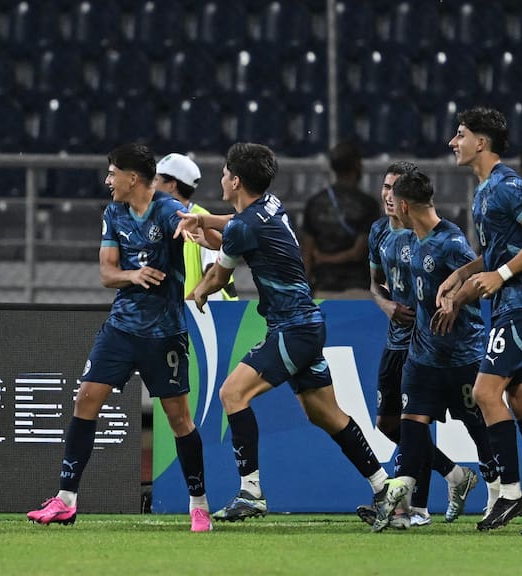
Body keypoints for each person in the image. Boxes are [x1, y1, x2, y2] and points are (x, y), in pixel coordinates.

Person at [174, 142, 389, 522]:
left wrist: (199, 294)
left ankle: (251, 492)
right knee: (324, 414)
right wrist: (204, 222)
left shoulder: (244, 226)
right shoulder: (269, 205)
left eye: (225, 172)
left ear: (236, 180)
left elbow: (218, 274)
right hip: (305, 324)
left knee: (232, 393)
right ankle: (385, 489)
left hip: (292, 328)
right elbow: (235, 227)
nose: (221, 177)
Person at [27, 143, 212, 532]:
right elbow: (107, 273)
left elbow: (206, 236)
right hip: (121, 329)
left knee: (179, 418)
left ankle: (199, 505)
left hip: (165, 333)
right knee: (85, 399)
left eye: (112, 173)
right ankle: (66, 500)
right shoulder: (113, 213)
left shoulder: (166, 209)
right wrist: (133, 276)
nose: (107, 180)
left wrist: (196, 232)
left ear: (132, 177)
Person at [439, 106, 522, 534]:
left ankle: (512, 493)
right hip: (512, 304)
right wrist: (463, 272)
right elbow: (502, 249)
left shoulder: (507, 185)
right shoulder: (485, 191)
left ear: (481, 142)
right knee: (521, 400)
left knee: (484, 391)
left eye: (460, 134)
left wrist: (498, 276)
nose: (452, 142)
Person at [371, 169, 502, 533]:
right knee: (411, 429)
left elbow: (483, 274)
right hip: (422, 355)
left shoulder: (450, 241)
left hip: (462, 355)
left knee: (478, 428)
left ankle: (496, 496)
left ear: (406, 204)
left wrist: (456, 300)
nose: (389, 203)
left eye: (393, 197)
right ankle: (406, 510)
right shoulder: (407, 239)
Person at [301, 140, 380, 297]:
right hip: (358, 289)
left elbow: (307, 253)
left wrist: (323, 259)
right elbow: (358, 252)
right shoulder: (368, 204)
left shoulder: (315, 203)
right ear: (357, 165)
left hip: (324, 288)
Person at [155, 153, 238, 300]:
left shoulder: (199, 219)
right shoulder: (159, 220)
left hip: (208, 317)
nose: (151, 185)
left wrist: (185, 307)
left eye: (156, 180)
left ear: (171, 185)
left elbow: (214, 275)